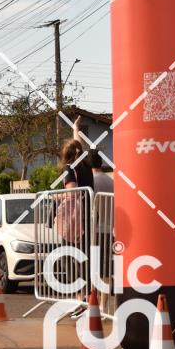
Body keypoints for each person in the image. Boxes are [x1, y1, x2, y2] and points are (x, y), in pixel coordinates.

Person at [58, 116, 93, 317]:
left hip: (74, 222)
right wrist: (76, 129)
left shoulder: (68, 169)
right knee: (85, 260)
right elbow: (79, 146)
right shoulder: (85, 166)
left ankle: (80, 300)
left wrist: (54, 197)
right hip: (87, 218)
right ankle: (87, 299)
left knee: (70, 259)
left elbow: (71, 192)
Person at [90, 150, 114, 312]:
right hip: (109, 228)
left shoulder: (91, 182)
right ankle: (103, 304)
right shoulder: (110, 181)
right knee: (106, 269)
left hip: (95, 230)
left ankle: (93, 302)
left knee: (93, 268)